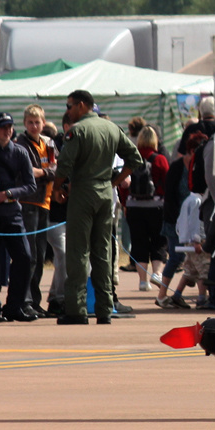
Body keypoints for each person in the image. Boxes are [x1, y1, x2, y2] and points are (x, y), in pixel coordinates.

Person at [55, 90, 144, 326]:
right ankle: (105, 310)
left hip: (83, 193)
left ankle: (77, 310)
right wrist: (114, 182)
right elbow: (135, 159)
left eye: (70, 105)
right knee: (103, 252)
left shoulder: (77, 130)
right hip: (106, 194)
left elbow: (64, 165)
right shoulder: (112, 128)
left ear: (82, 105)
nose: (68, 110)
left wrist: (57, 188)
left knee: (78, 252)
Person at [0, 113, 39, 320]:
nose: (7, 131)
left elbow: (30, 185)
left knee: (24, 257)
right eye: (2, 127)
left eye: (10, 127)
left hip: (13, 212)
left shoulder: (20, 152)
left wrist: (7, 194)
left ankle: (15, 305)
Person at [17, 106, 64, 316]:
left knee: (41, 254)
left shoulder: (50, 143)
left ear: (44, 123)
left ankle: (35, 301)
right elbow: (28, 172)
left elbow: (57, 168)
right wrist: (48, 172)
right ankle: (25, 300)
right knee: (30, 255)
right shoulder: (21, 145)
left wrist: (44, 173)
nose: (34, 126)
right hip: (28, 202)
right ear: (25, 123)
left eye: (37, 122)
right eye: (30, 122)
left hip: (45, 202)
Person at [156, 131, 205, 307]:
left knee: (193, 260)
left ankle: (189, 296)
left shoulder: (198, 168)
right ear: (191, 151)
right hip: (174, 221)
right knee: (176, 258)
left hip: (192, 221)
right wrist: (177, 221)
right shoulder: (176, 168)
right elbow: (169, 197)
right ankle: (162, 295)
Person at [125, 125, 170, 292]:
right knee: (159, 240)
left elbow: (124, 183)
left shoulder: (131, 158)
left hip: (134, 206)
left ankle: (143, 281)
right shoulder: (159, 159)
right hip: (156, 205)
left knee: (139, 242)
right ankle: (157, 273)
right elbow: (167, 182)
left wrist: (125, 203)